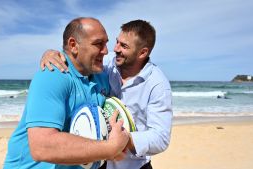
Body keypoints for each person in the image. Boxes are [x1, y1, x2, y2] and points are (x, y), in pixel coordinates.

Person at [40, 20, 173, 169]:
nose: (115, 49)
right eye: (117, 42)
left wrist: (125, 139)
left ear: (142, 52)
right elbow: (79, 57)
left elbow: (161, 138)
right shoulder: (108, 62)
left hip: (133, 166)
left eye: (124, 46)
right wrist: (52, 53)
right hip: (99, 163)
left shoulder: (158, 85)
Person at [4, 17, 130, 169]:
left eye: (106, 43)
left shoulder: (101, 77)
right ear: (73, 45)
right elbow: (41, 146)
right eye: (98, 44)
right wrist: (110, 148)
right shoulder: (52, 75)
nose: (105, 51)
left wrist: (116, 145)